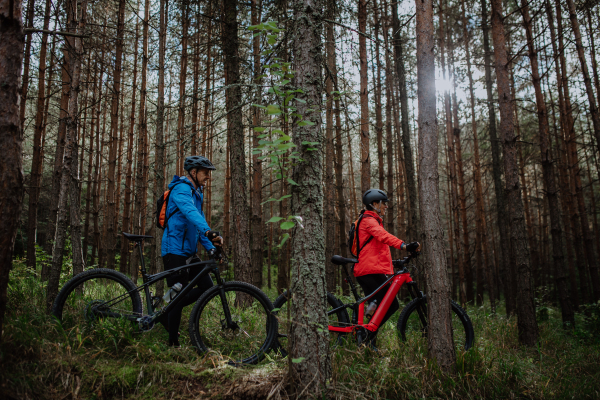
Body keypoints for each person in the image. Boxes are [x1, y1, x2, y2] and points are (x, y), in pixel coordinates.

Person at [160, 155, 224, 347]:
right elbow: (190, 212)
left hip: (188, 253)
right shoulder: (181, 189)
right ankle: (173, 344)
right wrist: (207, 230)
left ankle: (167, 309)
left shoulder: (197, 193)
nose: (208, 177)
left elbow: (198, 223)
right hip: (174, 251)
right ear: (194, 172)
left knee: (208, 287)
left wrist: (211, 247)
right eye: (205, 173)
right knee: (178, 296)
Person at [354, 188, 420, 350]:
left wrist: (394, 262)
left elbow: (375, 249)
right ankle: (366, 336)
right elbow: (383, 236)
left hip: (369, 269)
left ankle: (366, 336)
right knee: (390, 305)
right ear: (374, 204)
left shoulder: (371, 220)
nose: (386, 207)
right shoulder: (368, 220)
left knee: (376, 304)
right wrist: (404, 245)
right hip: (368, 270)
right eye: (384, 204)